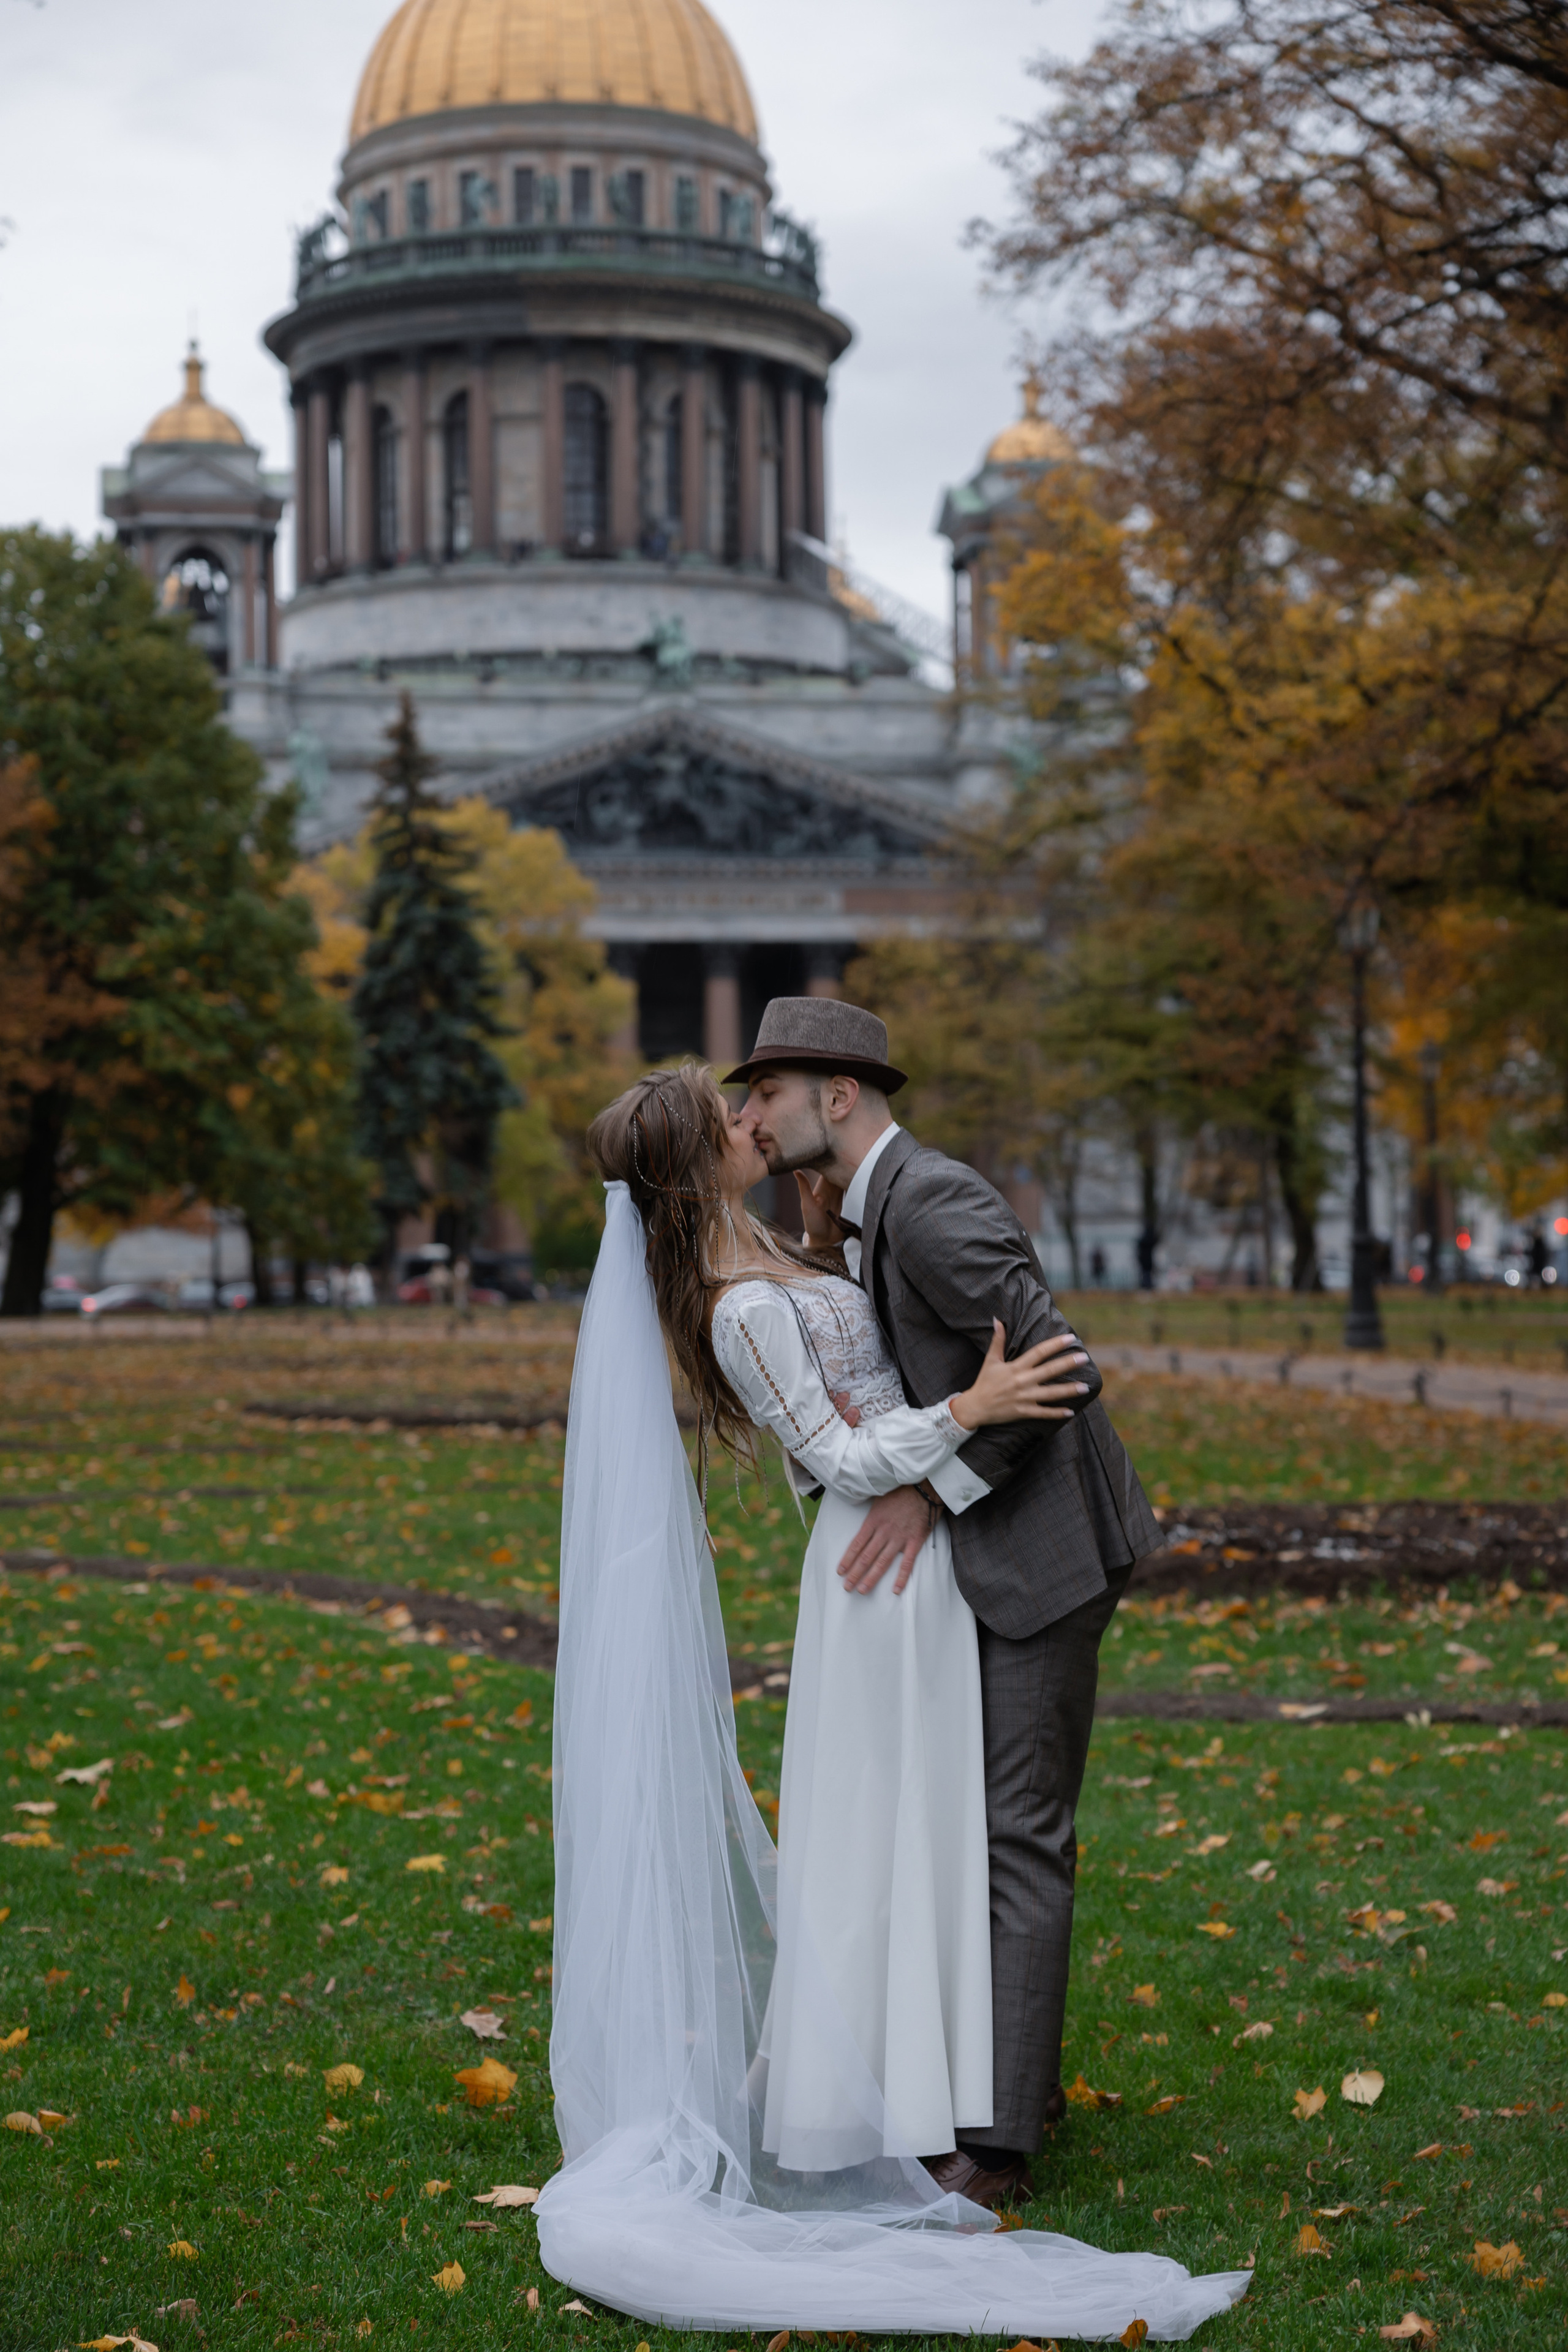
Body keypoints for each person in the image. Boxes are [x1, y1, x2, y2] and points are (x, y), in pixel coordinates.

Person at [533, 1058, 1248, 2339]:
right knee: (877, 1835)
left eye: (756, 1102)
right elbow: (839, 1455)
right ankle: (880, 2108)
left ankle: (928, 2093)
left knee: (928, 1834)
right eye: (728, 1117)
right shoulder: (734, 1302)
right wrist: (965, 1413)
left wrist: (934, 1427)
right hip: (875, 1579)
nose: (750, 1120)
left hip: (919, 1571)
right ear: (698, 1163)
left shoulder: (798, 1247)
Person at [732, 998, 1162, 2207]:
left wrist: (936, 1487)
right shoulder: (867, 1209)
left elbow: (1057, 1368)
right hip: (998, 1547)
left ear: (836, 1096)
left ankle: (999, 2151)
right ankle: (1006, 2081)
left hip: (1043, 1554)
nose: (749, 1115)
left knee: (1017, 1833)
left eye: (766, 1091)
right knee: (984, 1828)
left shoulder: (926, 1202)